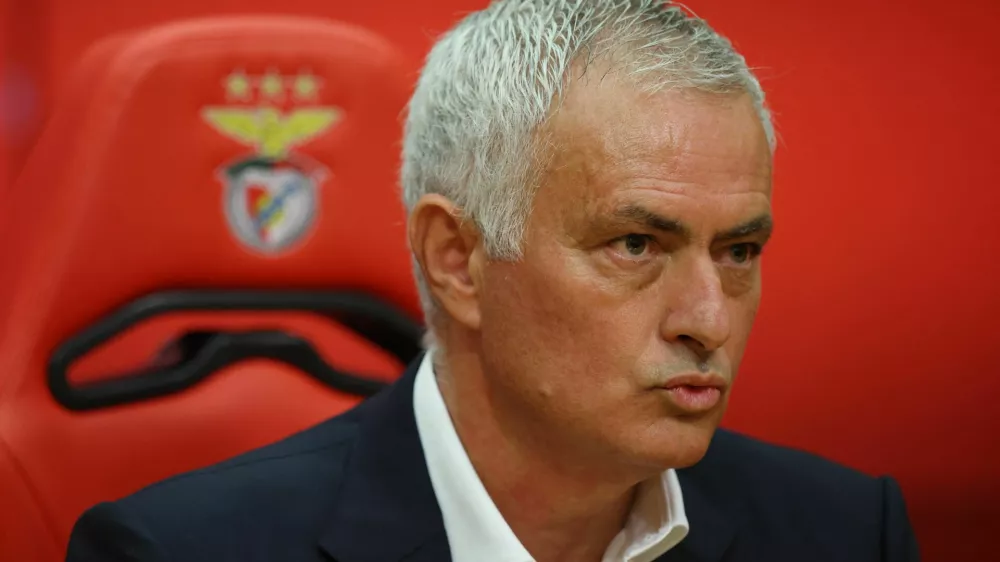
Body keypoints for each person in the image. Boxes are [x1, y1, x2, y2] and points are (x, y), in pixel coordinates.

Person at [66, 1, 920, 561]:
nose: (708, 320)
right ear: (456, 259)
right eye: (635, 244)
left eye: (739, 252)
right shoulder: (177, 552)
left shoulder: (847, 534)